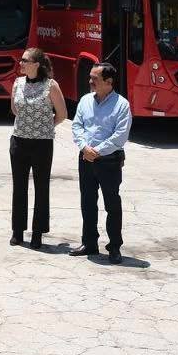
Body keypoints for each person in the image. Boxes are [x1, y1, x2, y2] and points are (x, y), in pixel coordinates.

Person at [70, 62, 133, 264]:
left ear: (108, 82)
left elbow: (120, 136)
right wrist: (84, 148)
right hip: (86, 158)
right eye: (90, 77)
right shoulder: (85, 100)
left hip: (109, 160)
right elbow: (77, 126)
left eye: (94, 79)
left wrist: (96, 152)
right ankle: (89, 243)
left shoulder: (121, 105)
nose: (90, 81)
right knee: (87, 202)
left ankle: (114, 247)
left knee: (112, 204)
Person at [9, 47, 68, 250]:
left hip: (42, 143)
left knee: (41, 188)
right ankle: (17, 231)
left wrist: (44, 126)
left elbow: (62, 114)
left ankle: (37, 233)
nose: (21, 63)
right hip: (19, 140)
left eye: (25, 60)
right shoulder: (18, 83)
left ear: (36, 64)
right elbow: (14, 109)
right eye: (21, 60)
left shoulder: (51, 85)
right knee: (19, 187)